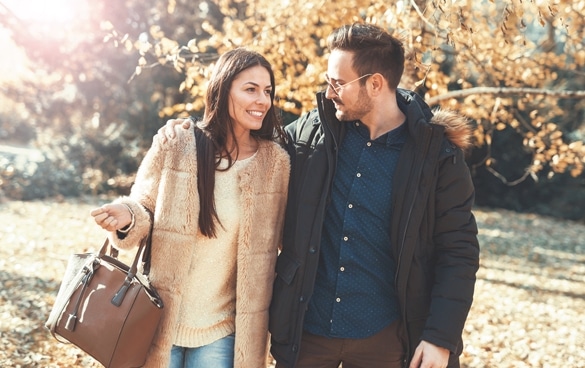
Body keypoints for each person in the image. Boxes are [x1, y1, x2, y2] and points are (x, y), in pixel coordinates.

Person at [160, 23, 480, 368]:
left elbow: (458, 252)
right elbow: (244, 149)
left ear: (375, 84)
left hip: (388, 339)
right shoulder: (311, 135)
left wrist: (439, 338)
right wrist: (191, 134)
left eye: (338, 83)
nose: (329, 93)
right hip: (306, 334)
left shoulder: (437, 157)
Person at [90, 48, 290, 368]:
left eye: (267, 91)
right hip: (156, 323)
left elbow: (287, 239)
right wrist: (128, 216)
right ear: (223, 90)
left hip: (223, 333)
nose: (262, 100)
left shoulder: (275, 163)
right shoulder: (180, 143)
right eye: (250, 89)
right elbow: (143, 204)